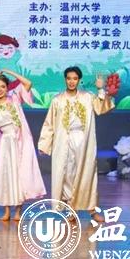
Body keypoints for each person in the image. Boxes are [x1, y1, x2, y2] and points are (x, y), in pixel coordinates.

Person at [37, 66, 115, 222]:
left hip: (84, 141)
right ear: (65, 79)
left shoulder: (87, 97)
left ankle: (92, 210)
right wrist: (44, 143)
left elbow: (101, 108)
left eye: (74, 78)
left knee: (87, 173)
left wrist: (101, 89)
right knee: (65, 175)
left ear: (79, 80)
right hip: (63, 141)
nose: (71, 81)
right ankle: (70, 209)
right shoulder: (57, 100)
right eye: (69, 78)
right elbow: (49, 123)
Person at [0, 69, 45, 221]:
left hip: (19, 142)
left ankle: (18, 211)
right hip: (4, 144)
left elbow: (28, 83)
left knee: (20, 176)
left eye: (3, 86)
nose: (0, 89)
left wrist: (8, 71)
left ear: (7, 88)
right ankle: (6, 211)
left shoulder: (15, 99)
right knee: (5, 176)